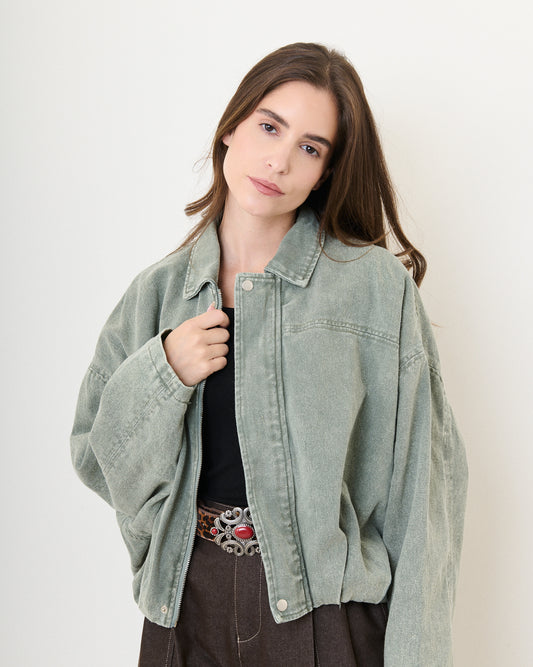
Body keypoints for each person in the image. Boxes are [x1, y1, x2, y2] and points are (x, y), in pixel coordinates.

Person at [70, 42, 468, 666]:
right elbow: (97, 457)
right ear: (231, 128)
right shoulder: (158, 294)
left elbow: (425, 497)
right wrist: (164, 372)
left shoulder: (373, 290)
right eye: (269, 127)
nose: (279, 160)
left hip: (325, 617)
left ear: (325, 172)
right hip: (185, 608)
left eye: (310, 148)